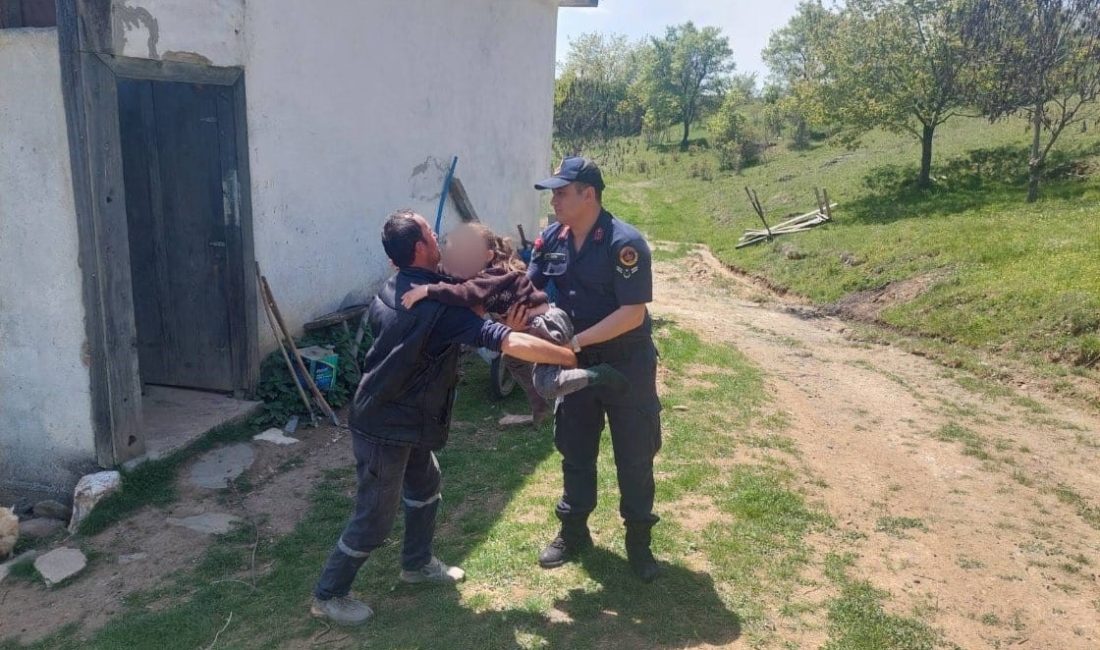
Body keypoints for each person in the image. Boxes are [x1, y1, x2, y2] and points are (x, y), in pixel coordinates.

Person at [311, 210, 577, 626]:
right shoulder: (436, 307)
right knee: (375, 517)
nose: (442, 239)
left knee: (426, 484)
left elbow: (467, 294)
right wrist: (566, 354)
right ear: (420, 247)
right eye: (434, 234)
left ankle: (416, 565)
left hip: (405, 413)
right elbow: (509, 342)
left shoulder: (403, 284)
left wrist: (499, 305)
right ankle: (328, 595)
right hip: (385, 425)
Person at [528, 157, 663, 582]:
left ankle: (639, 544)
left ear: (590, 194)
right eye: (553, 193)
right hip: (575, 364)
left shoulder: (624, 243)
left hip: (626, 364)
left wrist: (576, 341)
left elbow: (631, 313)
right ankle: (573, 532)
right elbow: (528, 289)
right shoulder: (550, 238)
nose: (554, 201)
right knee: (575, 448)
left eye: (562, 192)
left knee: (635, 455)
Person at [401, 222, 627, 422]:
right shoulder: (478, 274)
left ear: (488, 256)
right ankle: (541, 410)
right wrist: (410, 270)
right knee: (514, 361)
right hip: (534, 324)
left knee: (548, 385)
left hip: (545, 324)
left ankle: (599, 374)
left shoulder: (493, 277)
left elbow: (465, 293)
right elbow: (451, 279)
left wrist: (428, 289)